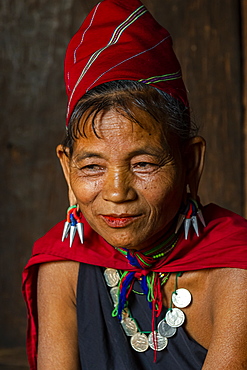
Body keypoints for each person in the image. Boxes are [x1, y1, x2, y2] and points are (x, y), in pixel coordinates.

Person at [22, 0, 247, 369]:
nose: (116, 192)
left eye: (143, 164)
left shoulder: (236, 272)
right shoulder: (63, 266)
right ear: (66, 168)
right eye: (92, 166)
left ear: (190, 163)